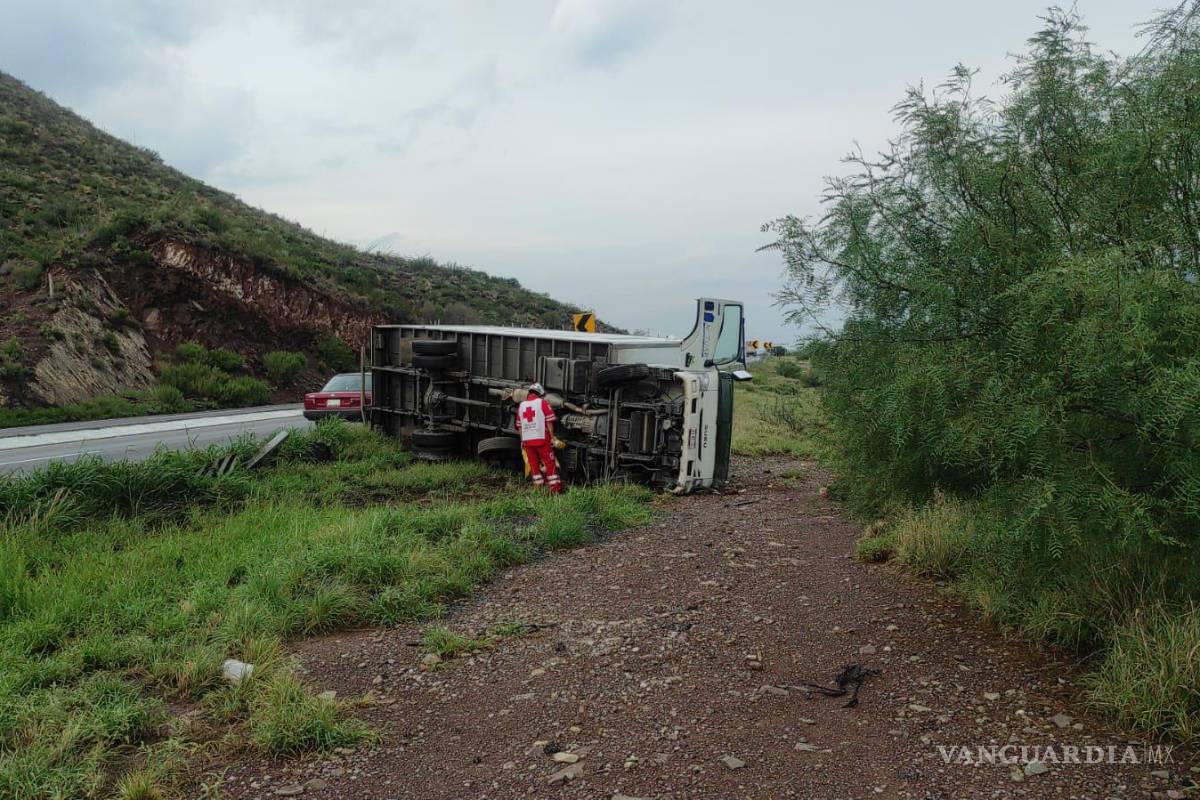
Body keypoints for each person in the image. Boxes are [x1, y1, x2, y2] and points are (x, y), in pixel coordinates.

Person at [515, 382, 562, 493]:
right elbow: (549, 421)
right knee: (549, 463)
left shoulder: (521, 406)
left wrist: (523, 441)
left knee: (534, 465)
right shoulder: (542, 403)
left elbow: (519, 426)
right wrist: (552, 437)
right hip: (541, 439)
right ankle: (555, 489)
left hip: (527, 441)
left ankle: (538, 488)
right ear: (540, 393)